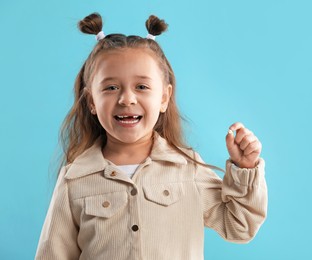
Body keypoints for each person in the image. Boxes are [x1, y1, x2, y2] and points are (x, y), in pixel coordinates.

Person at [35, 12, 268, 260]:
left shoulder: (186, 168)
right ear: (92, 101)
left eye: (142, 87)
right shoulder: (75, 178)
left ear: (164, 98)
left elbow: (239, 226)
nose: (127, 99)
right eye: (111, 87)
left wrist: (246, 168)